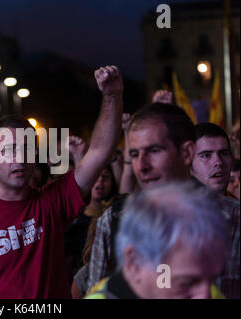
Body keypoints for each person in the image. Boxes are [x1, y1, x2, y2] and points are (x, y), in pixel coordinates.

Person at [0, 65, 124, 298]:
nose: (18, 158)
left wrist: (112, 96)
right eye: (8, 150)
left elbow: (100, 151)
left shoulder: (53, 202)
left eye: (26, 149)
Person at [87, 102, 240, 299]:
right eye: (134, 154)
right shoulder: (114, 220)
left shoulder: (235, 217)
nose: (142, 165)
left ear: (186, 153)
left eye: (154, 151)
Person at [86, 182, 229, 299]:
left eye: (211, 278)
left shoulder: (207, 291)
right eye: (186, 283)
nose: (206, 295)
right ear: (135, 262)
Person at [191, 122, 234, 195]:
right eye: (206, 155)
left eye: (224, 154)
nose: (218, 162)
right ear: (189, 164)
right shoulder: (172, 205)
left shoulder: (237, 205)